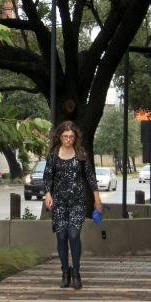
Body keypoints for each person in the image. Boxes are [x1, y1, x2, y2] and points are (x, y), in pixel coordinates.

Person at [41, 121, 102, 289]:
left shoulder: (81, 154)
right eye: (65, 136)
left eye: (71, 137)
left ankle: (76, 271)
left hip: (77, 201)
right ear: (59, 137)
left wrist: (97, 200)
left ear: (75, 138)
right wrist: (48, 194)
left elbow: (90, 177)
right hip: (59, 202)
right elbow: (47, 177)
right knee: (61, 237)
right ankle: (65, 272)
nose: (68, 139)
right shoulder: (53, 154)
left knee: (74, 235)